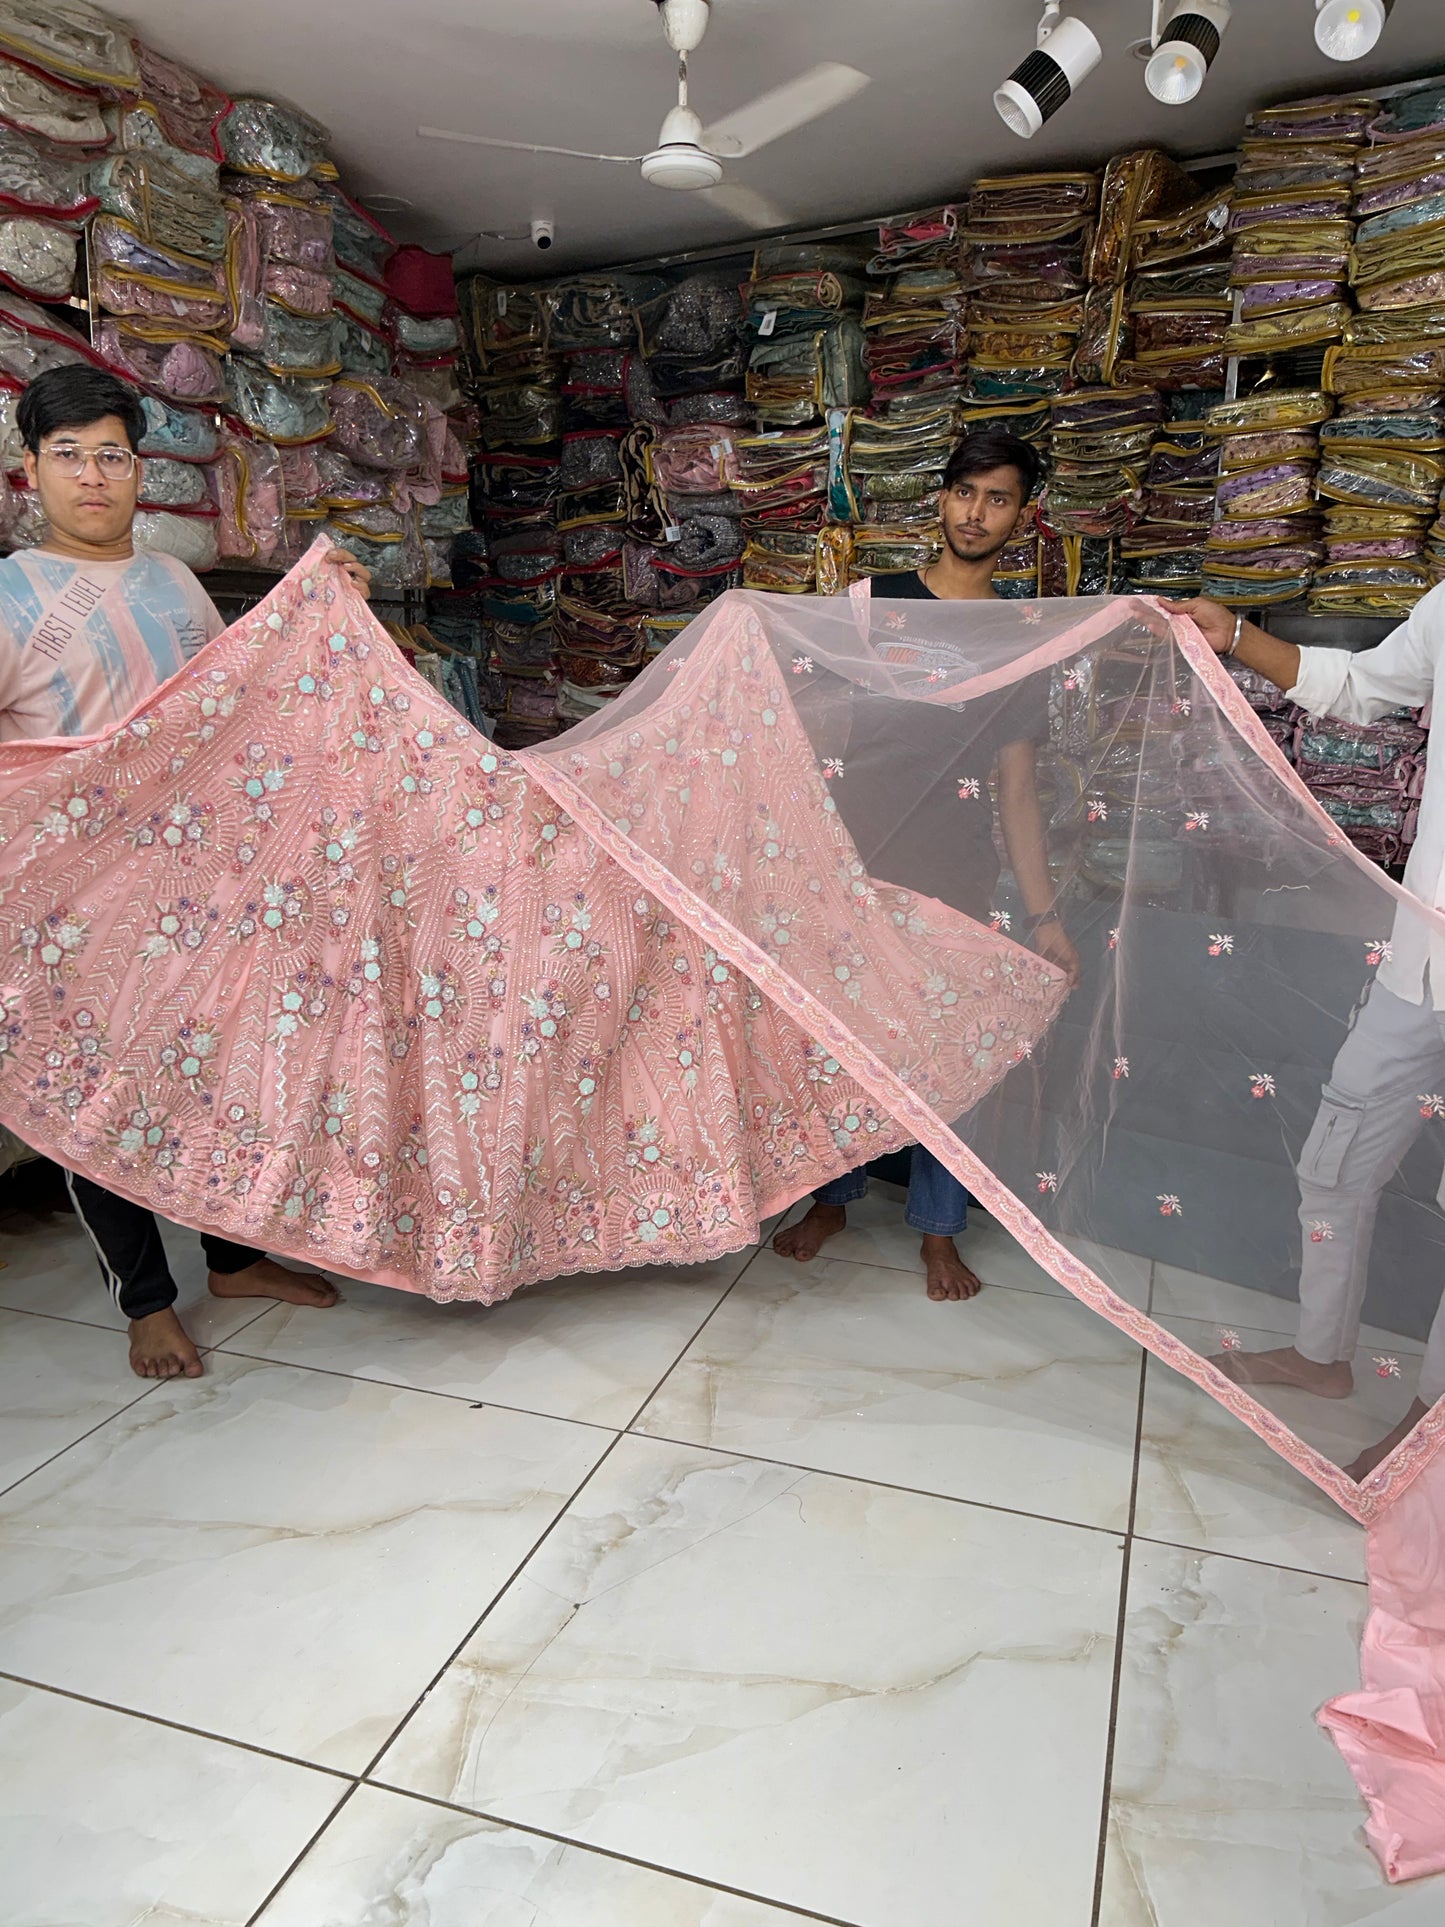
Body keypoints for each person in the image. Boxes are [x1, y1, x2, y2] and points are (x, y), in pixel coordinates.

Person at [0, 364, 372, 1382]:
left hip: (192, 891)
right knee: (91, 1100)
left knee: (212, 1076)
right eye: (67, 455)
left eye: (111, 454)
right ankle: (145, 1302)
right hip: (71, 911)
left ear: (139, 471)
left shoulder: (171, 583)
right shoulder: (8, 596)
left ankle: (237, 1253)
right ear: (29, 470)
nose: (91, 476)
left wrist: (314, 622)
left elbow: (231, 709)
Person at [774, 430, 1080, 1301]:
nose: (976, 513)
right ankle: (828, 1197)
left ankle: (938, 1230)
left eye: (997, 499)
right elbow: (813, 727)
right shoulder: (872, 606)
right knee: (833, 1044)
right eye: (964, 493)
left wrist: (1044, 915)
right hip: (850, 866)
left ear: (1022, 516)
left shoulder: (1018, 634)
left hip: (952, 875)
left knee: (949, 1055)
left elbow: (1016, 787)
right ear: (938, 499)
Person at [1180, 586, 1445, 1479]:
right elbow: (1365, 687)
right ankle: (1320, 1355)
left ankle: (1425, 1422)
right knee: (1331, 1162)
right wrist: (1238, 638)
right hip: (1423, 959)